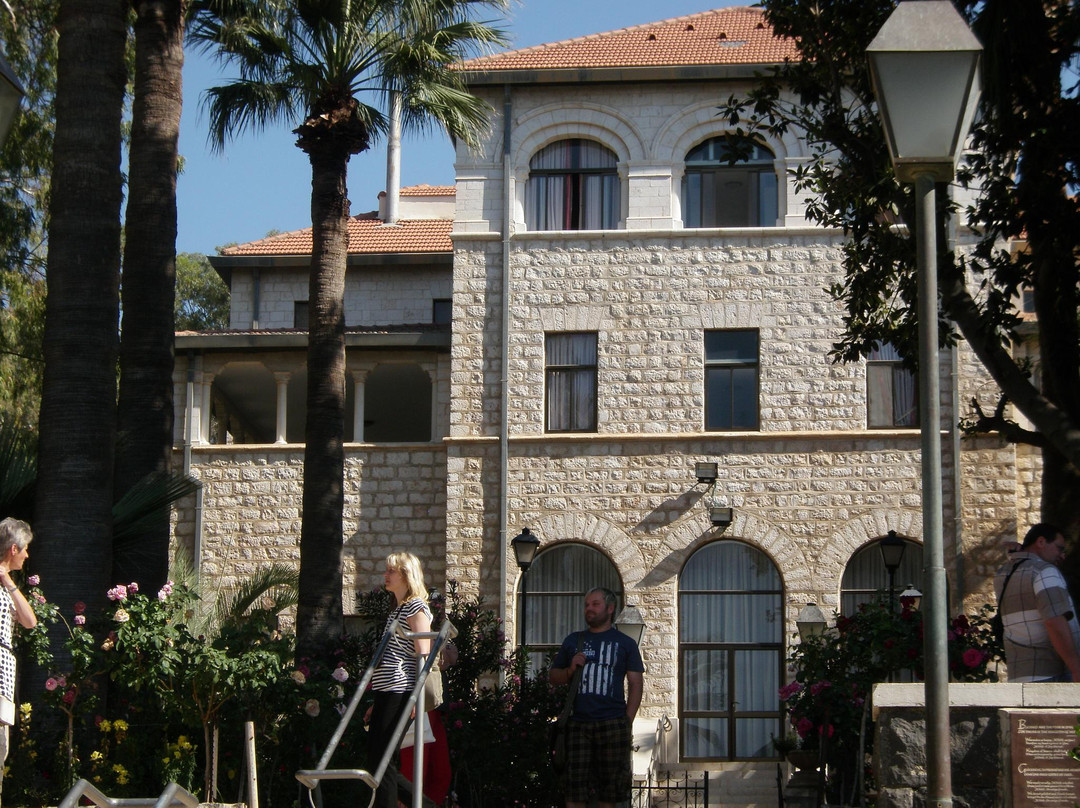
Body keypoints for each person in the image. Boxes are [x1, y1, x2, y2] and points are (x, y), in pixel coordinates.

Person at [549, 587, 644, 808]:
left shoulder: (625, 643)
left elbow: (636, 683)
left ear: (610, 608)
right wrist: (570, 670)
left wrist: (626, 721)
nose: (589, 609)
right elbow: (553, 677)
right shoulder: (573, 641)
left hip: (612, 723)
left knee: (609, 793)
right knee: (574, 791)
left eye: (595, 604)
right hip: (578, 724)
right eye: (586, 605)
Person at [364, 552, 432, 808]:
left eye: (391, 571)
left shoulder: (415, 606)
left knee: (382, 759)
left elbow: (423, 653)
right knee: (380, 758)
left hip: (401, 687)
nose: (386, 575)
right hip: (388, 688)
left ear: (406, 575)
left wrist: (416, 695)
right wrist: (376, 701)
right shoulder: (399, 609)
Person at [995, 522, 1080, 682]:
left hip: (1019, 674)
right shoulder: (1045, 571)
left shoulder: (1002, 574)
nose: (1062, 556)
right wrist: (1076, 668)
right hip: (1052, 674)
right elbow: (1054, 621)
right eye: (1059, 548)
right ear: (1041, 542)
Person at [0, 518, 37, 801]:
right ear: (14, 549)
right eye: (24, 549)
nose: (27, 555)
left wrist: (6, 579)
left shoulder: (6, 586)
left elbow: (29, 621)